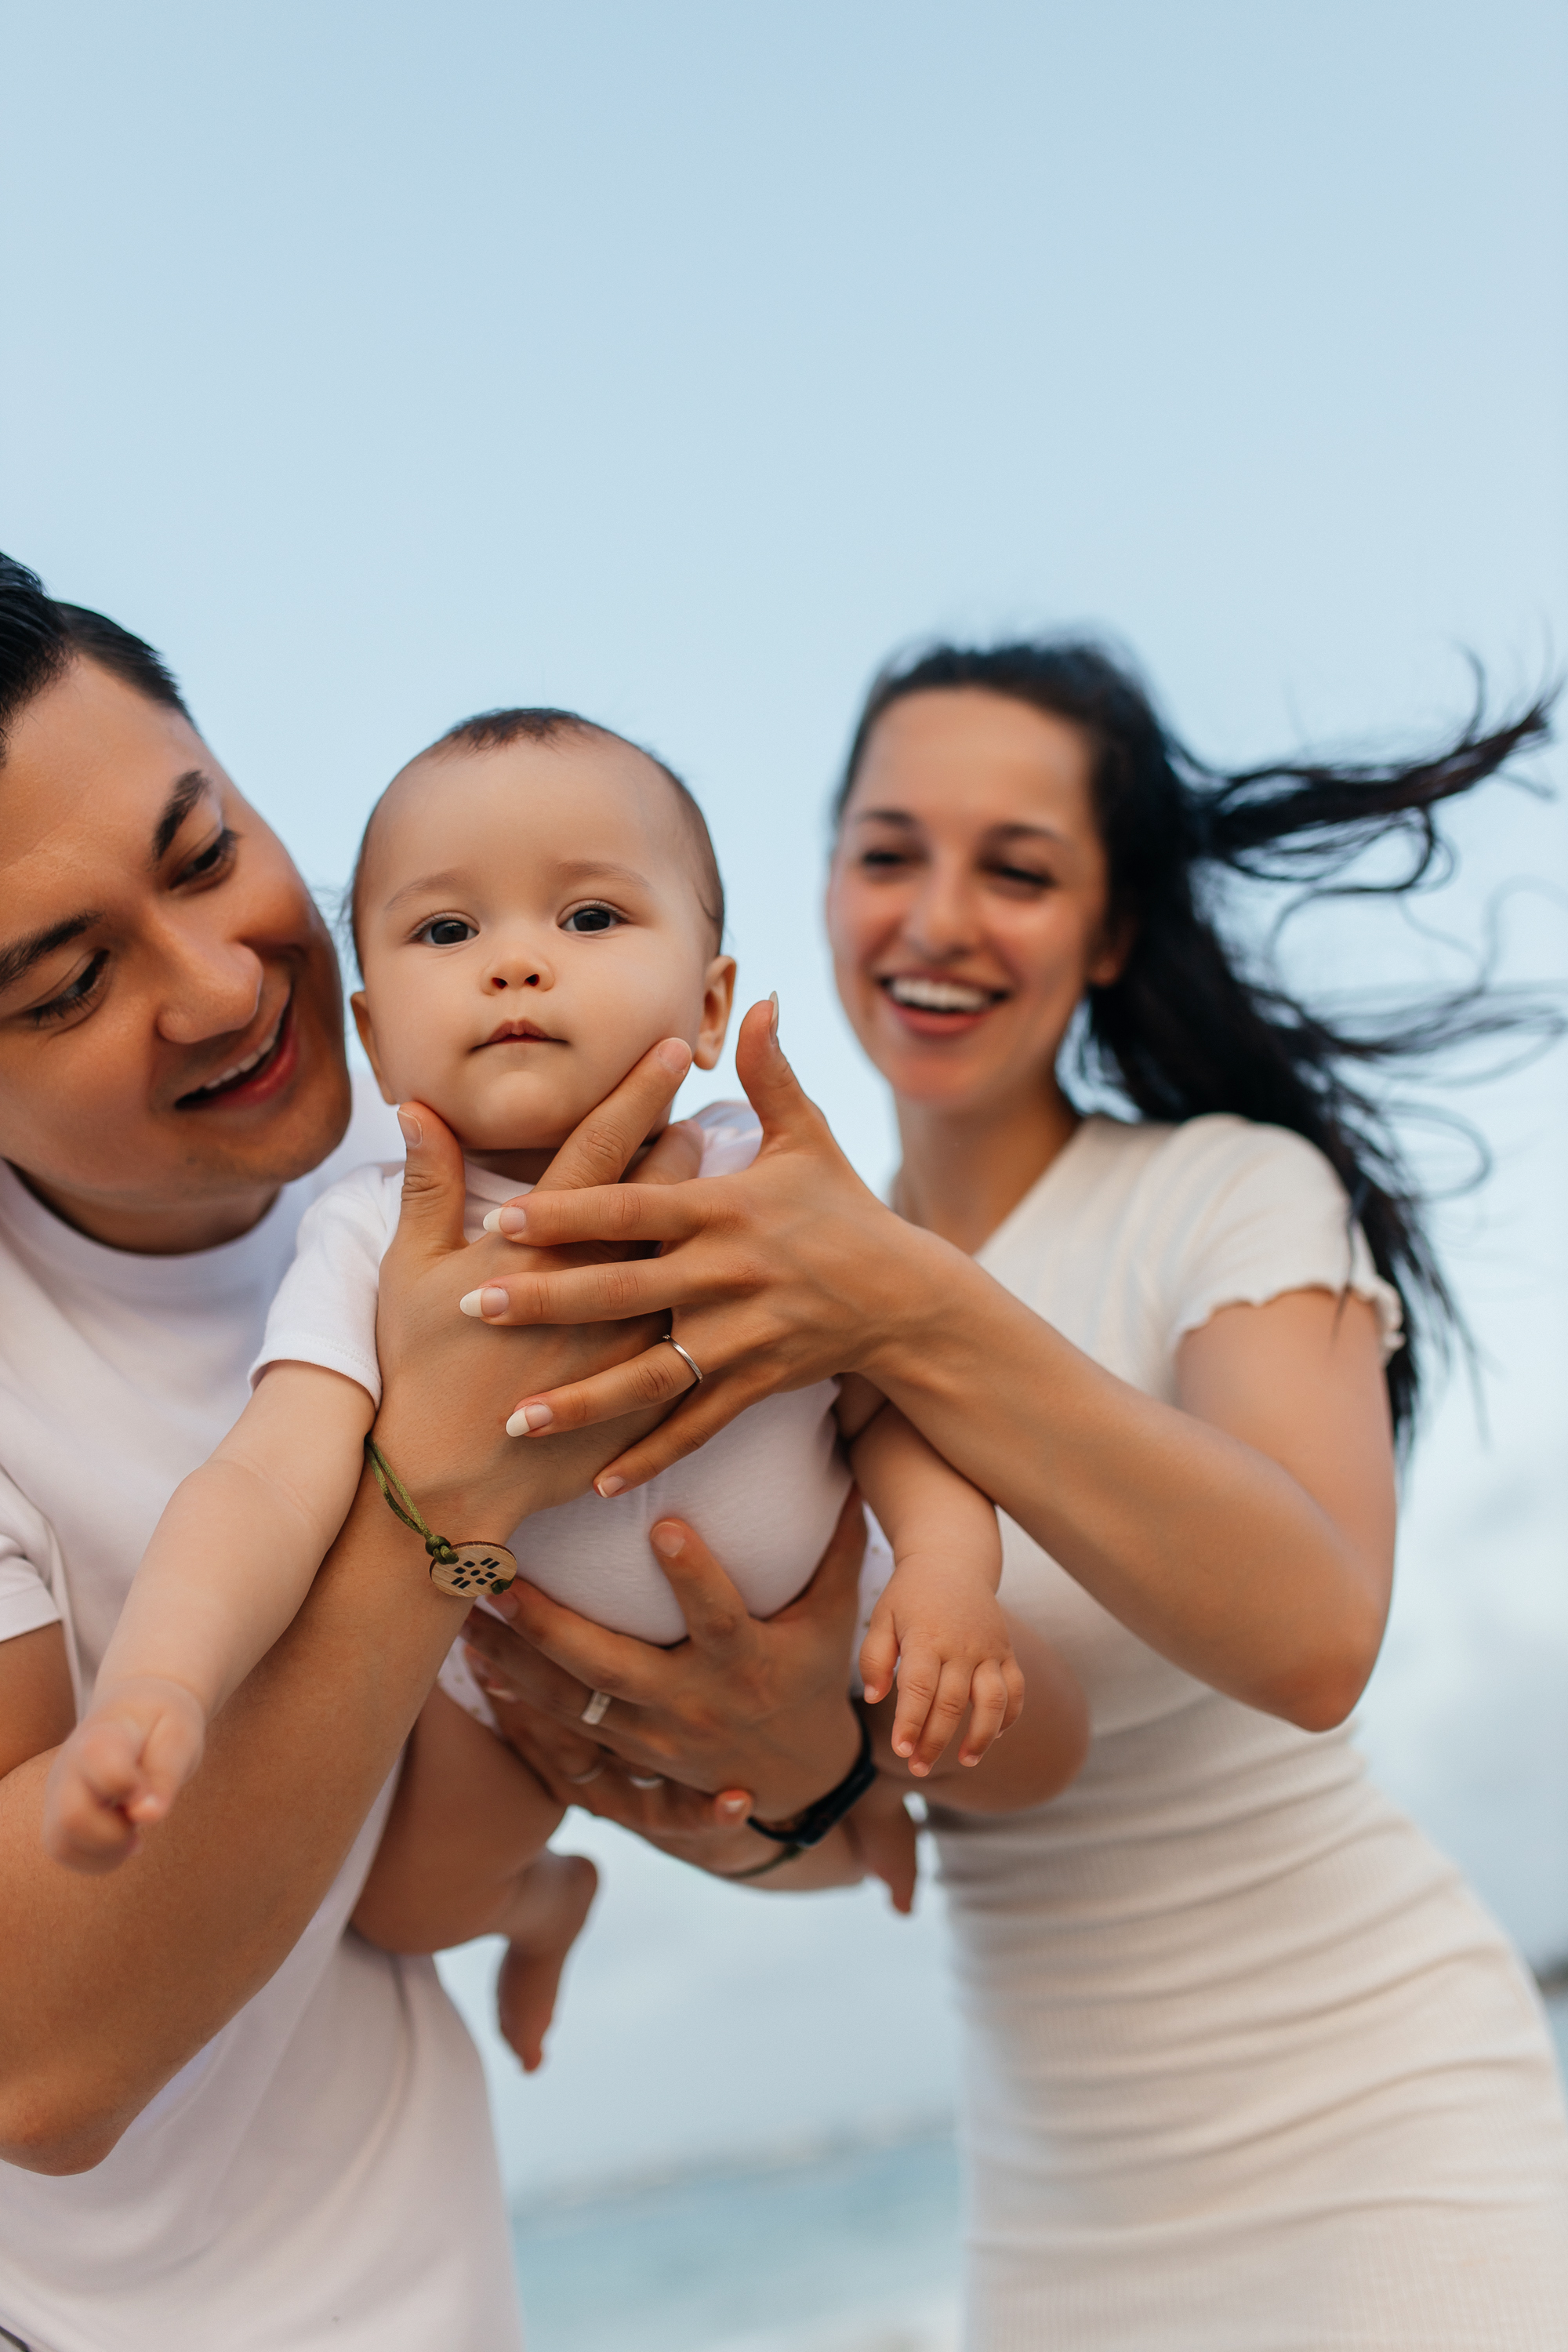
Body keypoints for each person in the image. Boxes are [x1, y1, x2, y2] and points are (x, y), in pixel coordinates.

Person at [452, 641, 1568, 2347]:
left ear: (1107, 932)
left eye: (1019, 869)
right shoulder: (752, 1272)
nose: (939, 916)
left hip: (1384, 2131)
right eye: (890, 852)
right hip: (1061, 2203)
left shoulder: (1223, 1193)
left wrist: (902, 1298)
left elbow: (1317, 1632)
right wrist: (735, 1771)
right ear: (825, 879)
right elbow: (884, 1841)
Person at [0, 556, 883, 2352]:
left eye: (200, 853)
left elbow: (852, 1839)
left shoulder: (453, 1162)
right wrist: (444, 1506)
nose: (215, 985)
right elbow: (36, 2058)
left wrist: (800, 1766)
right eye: (65, 980)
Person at [43, 702, 1080, 1947]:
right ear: (373, 1035)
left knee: (998, 1741)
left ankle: (839, 1827)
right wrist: (161, 1683)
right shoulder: (376, 1237)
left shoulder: (763, 1184)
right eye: (446, 928)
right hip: (510, 1678)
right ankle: (550, 1901)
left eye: (589, 918)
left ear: (710, 1004)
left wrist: (949, 1571)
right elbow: (263, 1482)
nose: (516, 963)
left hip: (826, 1600)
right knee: (412, 1909)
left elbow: (890, 1399)